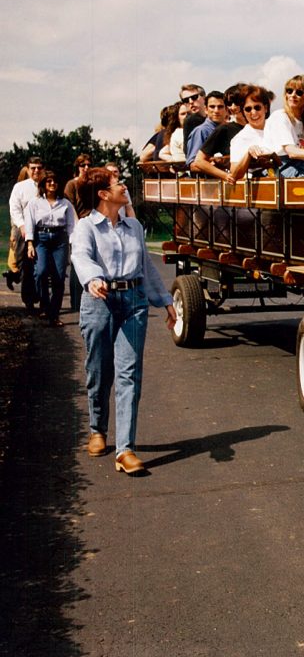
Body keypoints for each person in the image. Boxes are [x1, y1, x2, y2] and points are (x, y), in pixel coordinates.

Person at [71, 166, 176, 475]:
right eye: (117, 183)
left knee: (129, 373)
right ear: (104, 194)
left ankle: (125, 449)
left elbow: (145, 266)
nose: (123, 185)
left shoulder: (134, 226)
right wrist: (92, 279)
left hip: (133, 303)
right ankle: (97, 430)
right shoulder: (86, 227)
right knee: (100, 370)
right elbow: (80, 256)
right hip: (99, 302)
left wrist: (167, 302)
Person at [24, 170, 77, 327]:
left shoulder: (65, 204)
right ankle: (45, 305)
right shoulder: (35, 203)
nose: (52, 184)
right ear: (43, 185)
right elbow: (29, 224)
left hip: (60, 240)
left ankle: (54, 314)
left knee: (59, 277)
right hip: (42, 238)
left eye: (55, 181)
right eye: (49, 182)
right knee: (41, 272)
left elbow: (71, 226)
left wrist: (72, 246)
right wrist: (30, 244)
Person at [265, 74, 304, 180]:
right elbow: (291, 152)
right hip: (281, 166)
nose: (293, 95)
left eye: (299, 92)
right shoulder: (280, 116)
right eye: (289, 91)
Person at [191, 83, 249, 183]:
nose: (234, 107)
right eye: (230, 104)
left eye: (237, 102)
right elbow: (198, 161)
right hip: (237, 184)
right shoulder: (224, 129)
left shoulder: (257, 126)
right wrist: (226, 176)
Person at [8, 158, 45, 313]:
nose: (36, 171)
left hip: (42, 230)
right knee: (27, 267)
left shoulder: (48, 184)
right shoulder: (20, 187)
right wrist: (22, 226)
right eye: (33, 168)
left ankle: (43, 300)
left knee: (43, 267)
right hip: (23, 229)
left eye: (39, 168)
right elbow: (15, 208)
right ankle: (28, 300)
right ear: (28, 169)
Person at [63, 153, 93, 310]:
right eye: (83, 165)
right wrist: (79, 226)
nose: (86, 168)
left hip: (93, 224)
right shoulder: (71, 185)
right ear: (77, 167)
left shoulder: (93, 184)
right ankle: (76, 301)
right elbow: (70, 207)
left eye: (88, 165)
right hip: (77, 226)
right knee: (77, 264)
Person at [229, 85, 274, 180]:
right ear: (243, 112)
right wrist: (248, 154)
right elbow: (234, 174)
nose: (253, 112)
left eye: (257, 107)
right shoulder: (240, 138)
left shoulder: (276, 129)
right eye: (248, 109)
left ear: (265, 108)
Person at [185, 90, 228, 166]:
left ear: (226, 110)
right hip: (208, 177)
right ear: (206, 110)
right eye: (212, 107)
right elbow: (193, 164)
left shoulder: (229, 129)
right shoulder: (201, 131)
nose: (216, 110)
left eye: (220, 107)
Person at [5, 166, 29, 290]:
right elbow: (14, 214)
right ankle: (12, 275)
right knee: (19, 260)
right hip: (19, 229)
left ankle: (13, 275)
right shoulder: (19, 190)